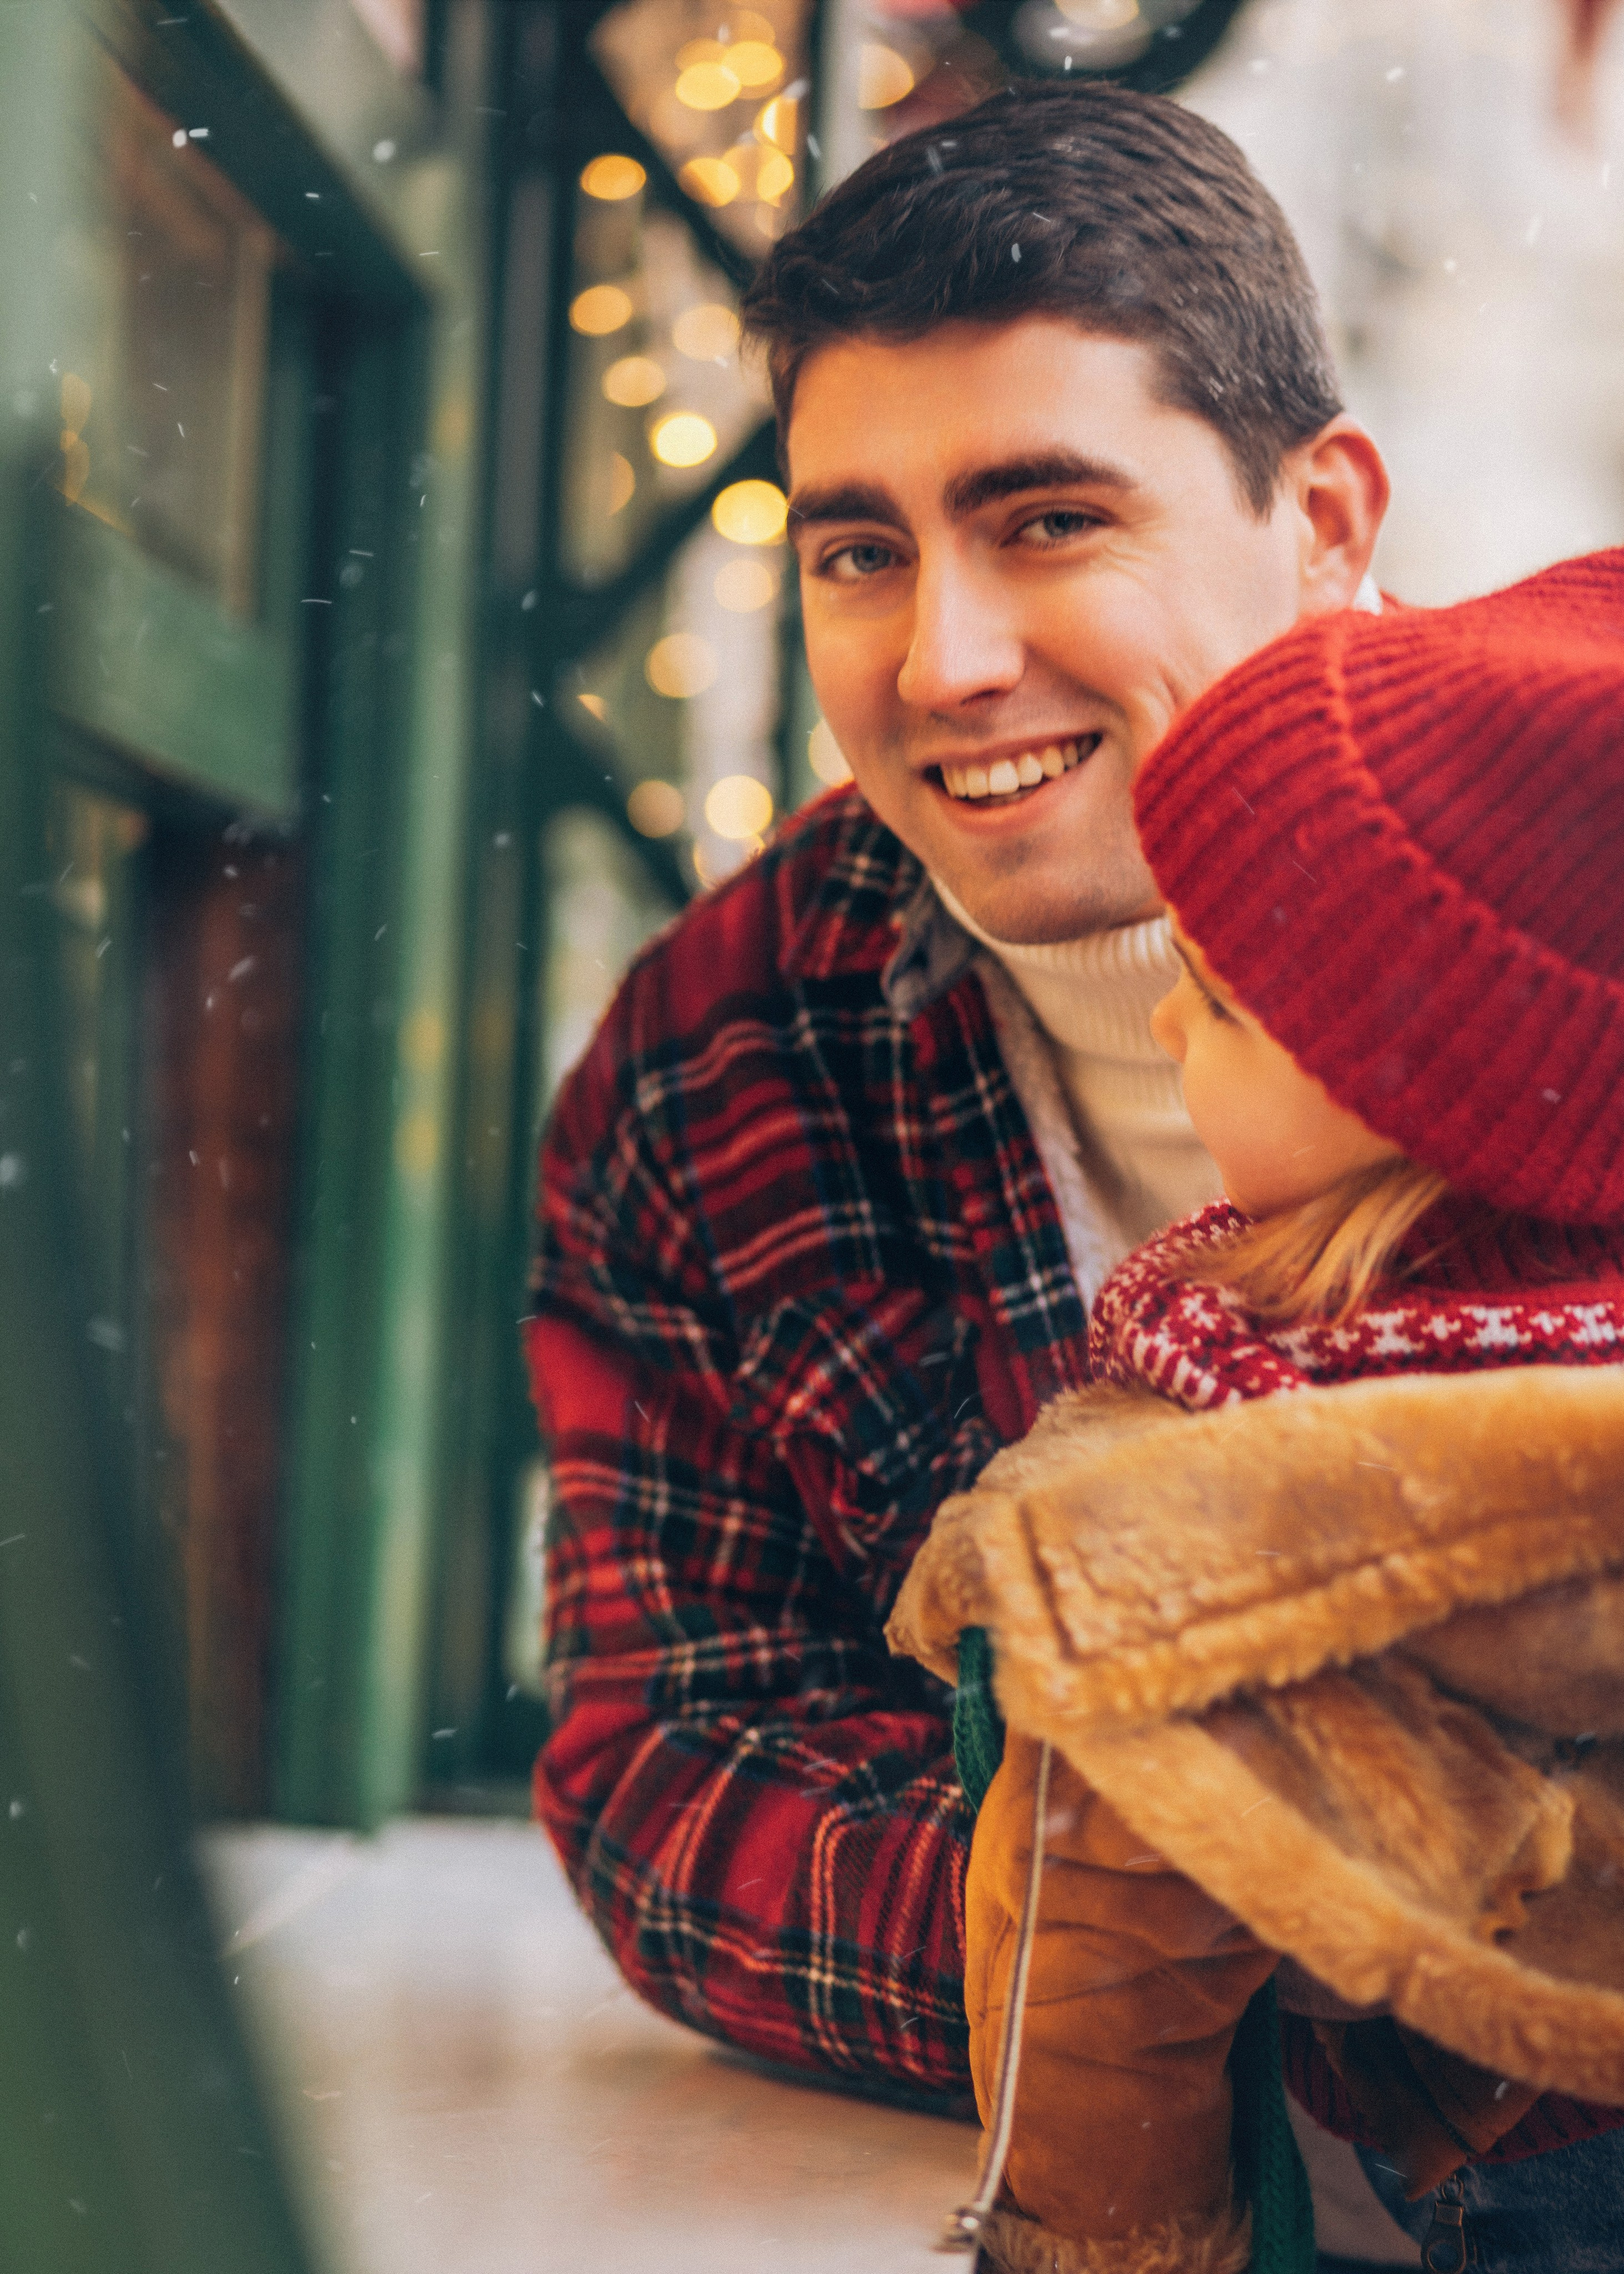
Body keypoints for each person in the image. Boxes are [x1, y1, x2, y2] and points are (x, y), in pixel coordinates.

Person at [525, 76, 1399, 2249]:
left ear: (1328, 523)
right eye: (858, 550)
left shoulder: (1575, 903)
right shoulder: (706, 1063)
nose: (944, 661)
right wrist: (1247, 1965)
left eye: (1047, 518)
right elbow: (667, 1772)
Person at [889, 551, 1624, 2274]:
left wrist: (1104, 2243)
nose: (1162, 1011)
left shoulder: (1301, 1497)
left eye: (1217, 996)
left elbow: (1112, 1927)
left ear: (1417, 1093)